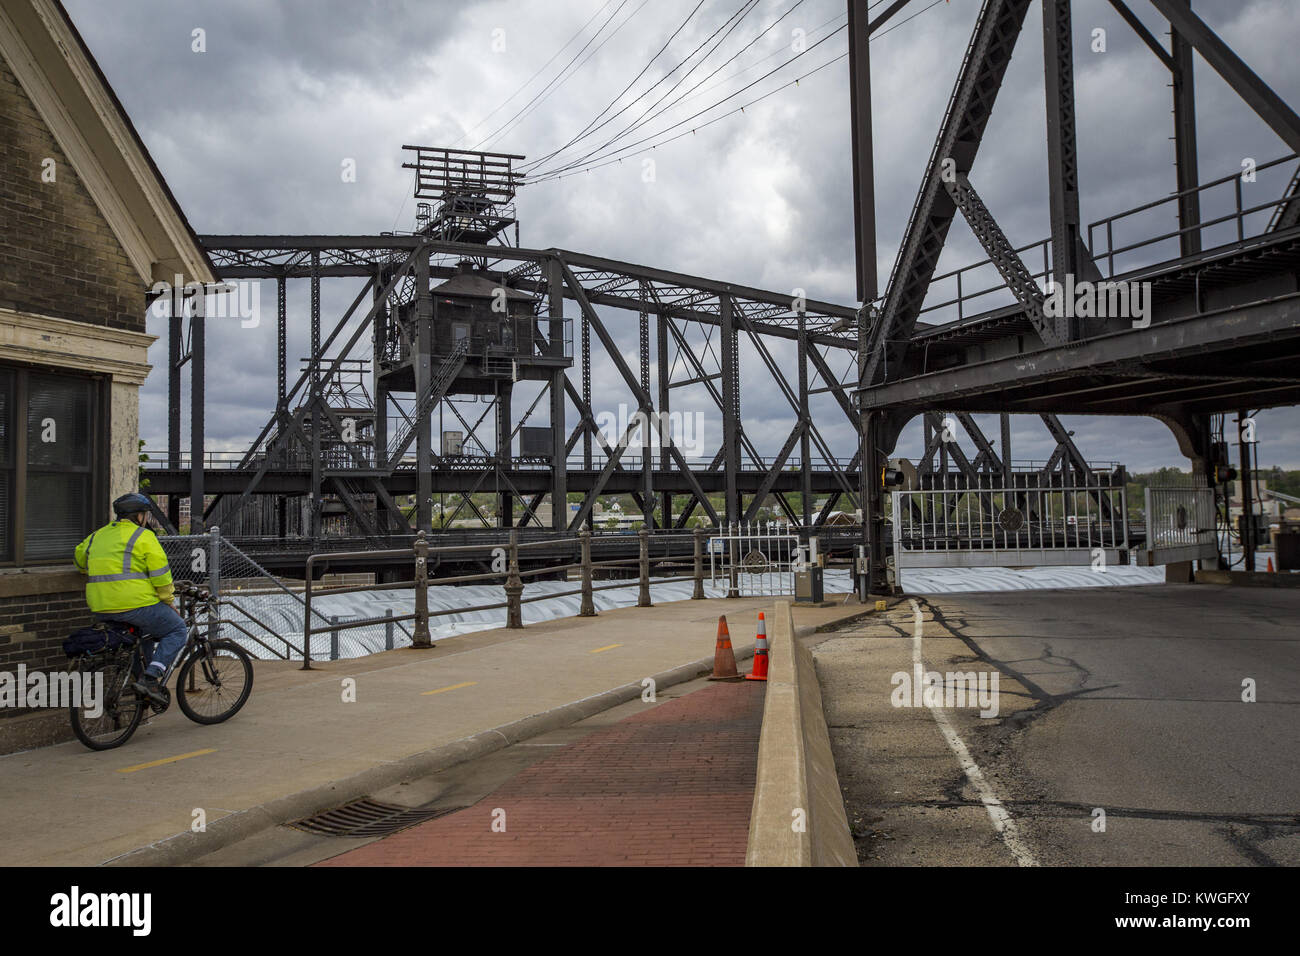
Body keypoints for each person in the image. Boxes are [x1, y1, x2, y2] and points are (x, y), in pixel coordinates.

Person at [73, 493, 185, 706]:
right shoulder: (143, 537)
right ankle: (151, 679)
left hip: (100, 606)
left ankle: (138, 678)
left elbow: (79, 559)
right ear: (140, 516)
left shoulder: (97, 536)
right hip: (135, 605)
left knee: (143, 638)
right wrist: (168, 600)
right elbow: (161, 574)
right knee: (177, 629)